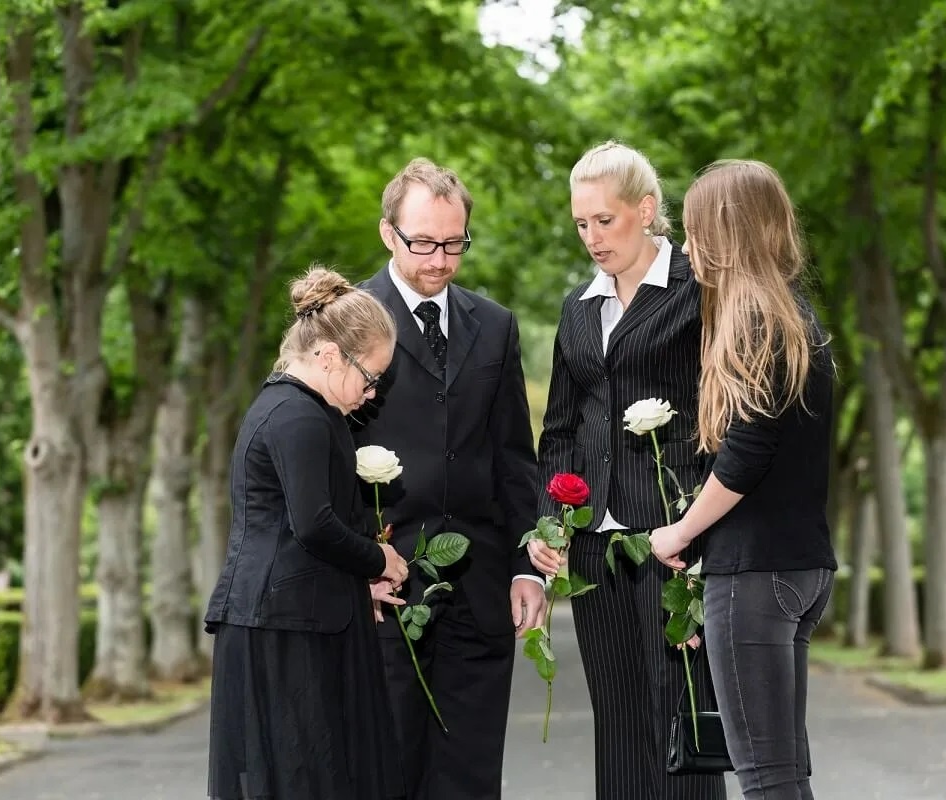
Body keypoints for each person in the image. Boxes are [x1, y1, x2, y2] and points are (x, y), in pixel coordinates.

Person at [529, 141, 726, 800]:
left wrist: (702, 534)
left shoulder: (701, 291)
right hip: (593, 549)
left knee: (679, 720)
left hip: (673, 542)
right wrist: (552, 528)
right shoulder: (578, 309)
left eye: (603, 221)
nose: (591, 237)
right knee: (617, 721)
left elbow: (724, 420)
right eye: (580, 223)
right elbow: (559, 431)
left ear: (645, 210)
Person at [351, 157, 544, 800]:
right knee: (387, 769)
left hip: (481, 590)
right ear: (388, 234)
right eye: (424, 242)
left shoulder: (495, 326)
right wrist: (357, 564)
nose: (440, 259)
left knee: (470, 775)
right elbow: (322, 457)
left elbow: (515, 456)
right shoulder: (343, 323)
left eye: (454, 243)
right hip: (386, 587)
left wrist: (526, 566)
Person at [650, 159, 838, 800]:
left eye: (697, 230)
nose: (687, 246)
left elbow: (747, 455)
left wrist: (680, 532)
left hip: (756, 576)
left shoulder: (752, 320)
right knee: (782, 775)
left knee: (764, 779)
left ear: (727, 234)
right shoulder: (795, 316)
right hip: (800, 569)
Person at [204, 266, 411, 800]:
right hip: (281, 626)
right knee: (300, 776)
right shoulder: (298, 416)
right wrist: (377, 560)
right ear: (327, 356)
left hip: (288, 615)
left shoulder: (296, 409)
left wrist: (356, 583)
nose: (370, 395)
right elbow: (313, 525)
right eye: (370, 378)